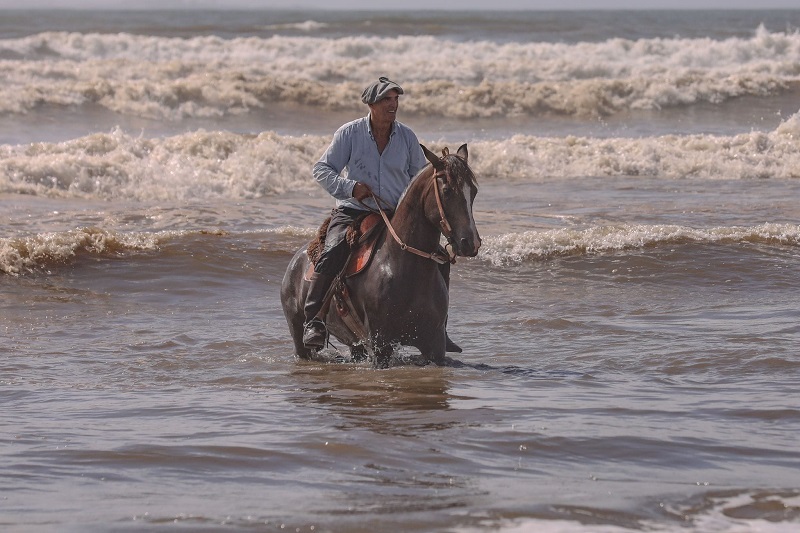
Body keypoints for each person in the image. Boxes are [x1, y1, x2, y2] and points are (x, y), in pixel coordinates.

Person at [302, 76, 462, 353]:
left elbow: (416, 179)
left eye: (396, 99)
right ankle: (314, 320)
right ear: (371, 104)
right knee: (333, 250)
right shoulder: (348, 133)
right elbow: (322, 169)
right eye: (387, 99)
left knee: (439, 257)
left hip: (396, 214)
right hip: (354, 210)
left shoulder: (408, 137)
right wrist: (351, 188)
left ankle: (440, 327)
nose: (393, 104)